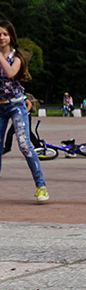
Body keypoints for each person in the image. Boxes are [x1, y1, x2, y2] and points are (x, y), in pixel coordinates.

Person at [0, 20, 47, 203]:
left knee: (24, 144)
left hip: (15, 105)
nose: (1, 38)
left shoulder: (16, 57)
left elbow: (11, 73)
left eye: (4, 34)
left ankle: (41, 186)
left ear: (11, 36)